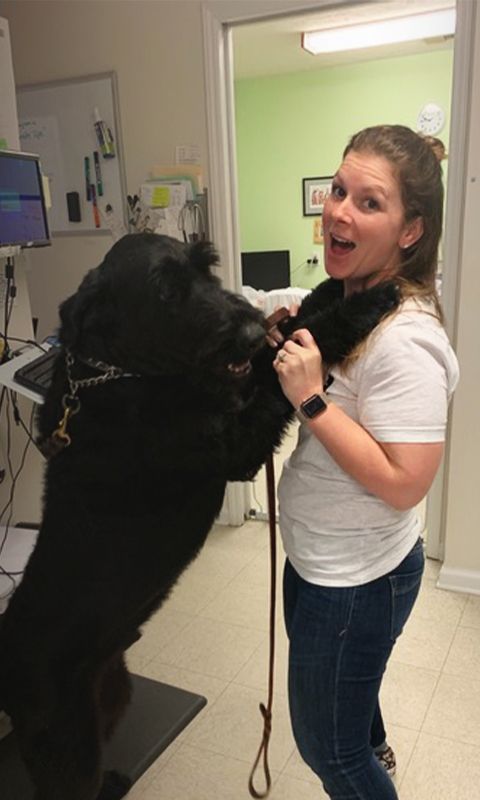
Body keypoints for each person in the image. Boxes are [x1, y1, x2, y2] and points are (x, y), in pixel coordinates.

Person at [270, 125, 459, 800]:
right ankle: (375, 746)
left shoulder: (406, 339)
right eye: (340, 190)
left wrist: (312, 400)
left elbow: (408, 482)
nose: (340, 211)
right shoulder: (346, 299)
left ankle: (366, 761)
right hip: (322, 559)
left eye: (369, 202)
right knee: (354, 716)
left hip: (354, 581)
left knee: (331, 750)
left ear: (410, 232)